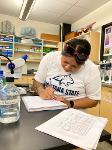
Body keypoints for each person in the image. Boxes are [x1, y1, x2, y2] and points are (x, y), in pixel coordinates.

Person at [32, 38, 101, 109]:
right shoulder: (50, 58)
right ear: (62, 53)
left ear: (82, 64)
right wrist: (41, 91)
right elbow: (37, 81)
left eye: (74, 66)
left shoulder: (92, 70)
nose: (67, 68)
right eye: (65, 62)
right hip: (46, 108)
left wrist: (71, 103)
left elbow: (94, 100)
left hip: (73, 113)